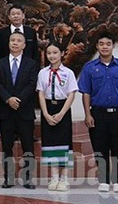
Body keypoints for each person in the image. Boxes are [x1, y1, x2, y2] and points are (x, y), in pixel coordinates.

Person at [78, 32, 118, 194]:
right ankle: (103, 180)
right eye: (101, 44)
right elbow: (86, 93)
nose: (105, 46)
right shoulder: (89, 68)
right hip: (98, 114)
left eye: (108, 43)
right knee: (100, 148)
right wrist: (87, 114)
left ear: (113, 46)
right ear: (97, 46)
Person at [0, 31, 39, 189]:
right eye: (12, 40)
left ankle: (27, 178)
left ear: (24, 45)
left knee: (28, 147)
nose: (15, 43)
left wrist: (18, 100)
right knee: (7, 147)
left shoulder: (31, 64)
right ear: (8, 43)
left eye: (18, 40)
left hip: (24, 111)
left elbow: (32, 85)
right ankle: (8, 178)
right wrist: (8, 99)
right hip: (6, 112)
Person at [37, 42, 77, 192]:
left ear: (61, 53)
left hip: (63, 108)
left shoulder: (68, 72)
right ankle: (54, 177)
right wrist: (46, 113)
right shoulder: (42, 73)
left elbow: (71, 93)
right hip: (48, 107)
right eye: (49, 53)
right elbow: (40, 93)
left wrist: (61, 113)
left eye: (55, 52)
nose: (52, 56)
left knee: (64, 142)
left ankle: (64, 178)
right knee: (50, 142)